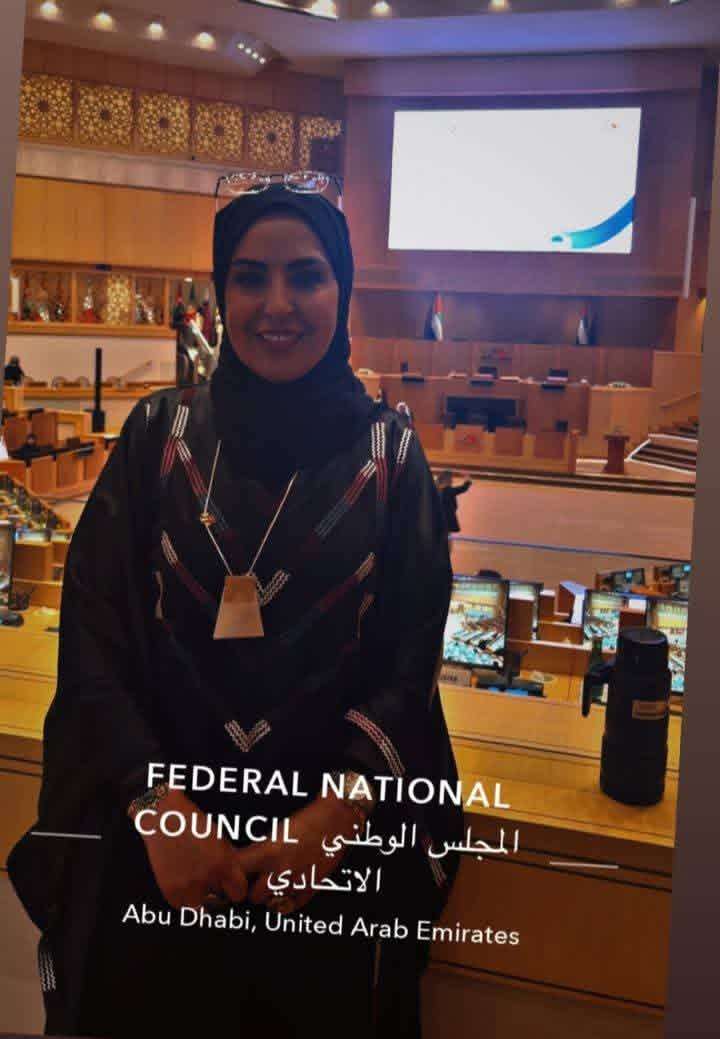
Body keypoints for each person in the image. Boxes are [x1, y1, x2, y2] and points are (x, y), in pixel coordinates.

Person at [9, 183, 463, 1038]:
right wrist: (156, 805)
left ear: (342, 289)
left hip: (328, 885)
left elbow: (411, 662)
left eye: (307, 275)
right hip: (160, 871)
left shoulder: (393, 460)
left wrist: (335, 815)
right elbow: (95, 640)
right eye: (250, 277)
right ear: (220, 293)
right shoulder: (158, 437)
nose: (277, 304)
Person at [436, 470, 472, 553]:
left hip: (436, 519)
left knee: (439, 537)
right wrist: (467, 478)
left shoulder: (435, 489)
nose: (452, 481)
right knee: (447, 538)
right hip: (447, 519)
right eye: (451, 479)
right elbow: (464, 488)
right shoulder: (449, 490)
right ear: (448, 480)